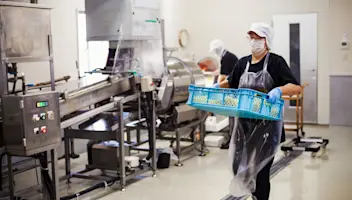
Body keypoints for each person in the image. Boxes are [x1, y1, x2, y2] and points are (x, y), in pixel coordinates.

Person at [219, 22, 301, 200]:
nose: (254, 41)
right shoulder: (242, 63)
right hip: (243, 129)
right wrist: (216, 86)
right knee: (238, 168)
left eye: (258, 38)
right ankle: (253, 194)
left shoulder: (275, 62)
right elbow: (231, 82)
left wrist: (279, 90)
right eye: (251, 37)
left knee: (261, 174)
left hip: (267, 129)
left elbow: (295, 87)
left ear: (267, 41)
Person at [209, 39, 239, 149]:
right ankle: (233, 138)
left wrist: (215, 87)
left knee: (232, 116)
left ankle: (232, 140)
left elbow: (223, 76)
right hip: (234, 89)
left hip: (233, 90)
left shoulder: (226, 58)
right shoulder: (228, 56)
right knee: (233, 116)